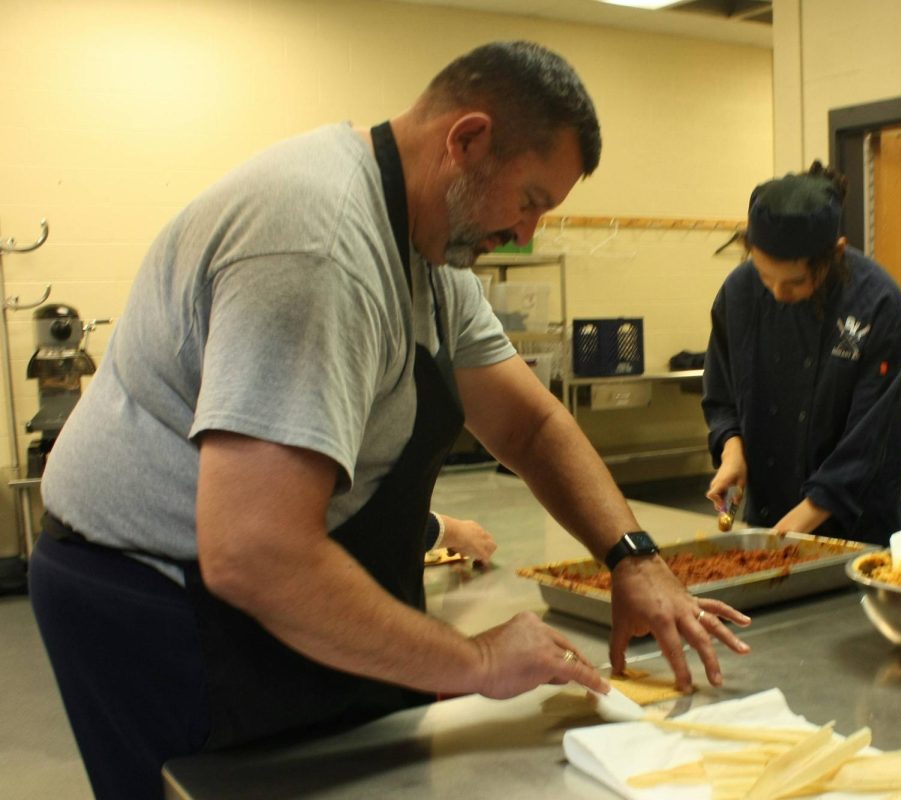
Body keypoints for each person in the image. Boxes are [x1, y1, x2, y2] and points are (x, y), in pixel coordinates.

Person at [28, 40, 750, 800]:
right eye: (530, 200)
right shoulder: (321, 247)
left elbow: (529, 427)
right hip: (163, 597)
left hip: (274, 572)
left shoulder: (430, 249)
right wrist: (473, 662)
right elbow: (254, 550)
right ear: (466, 141)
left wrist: (632, 558)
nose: (529, 232)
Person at [702, 163, 901, 545]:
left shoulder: (879, 305)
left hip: (856, 528)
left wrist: (803, 517)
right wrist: (732, 451)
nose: (778, 293)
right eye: (766, 277)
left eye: (796, 281)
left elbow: (869, 437)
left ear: (835, 252)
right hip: (768, 516)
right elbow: (721, 396)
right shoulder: (738, 293)